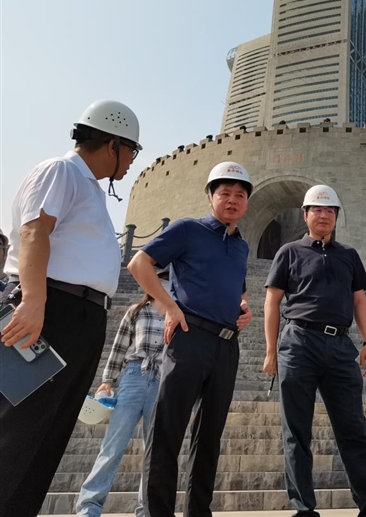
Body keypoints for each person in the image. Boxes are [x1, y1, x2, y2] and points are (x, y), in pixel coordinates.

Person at [0, 99, 142, 517]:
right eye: (132, 150)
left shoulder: (89, 187)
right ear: (113, 143)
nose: (132, 160)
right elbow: (34, 232)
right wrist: (33, 302)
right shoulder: (61, 170)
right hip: (50, 308)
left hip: (79, 317)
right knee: (18, 428)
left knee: (47, 434)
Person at [127, 161, 254, 517]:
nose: (232, 200)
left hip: (227, 345)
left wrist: (245, 307)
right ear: (210, 196)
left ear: (247, 202)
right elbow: (139, 264)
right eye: (225, 193)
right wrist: (168, 306)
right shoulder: (188, 230)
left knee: (209, 436)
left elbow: (239, 290)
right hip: (189, 337)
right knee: (167, 431)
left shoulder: (241, 246)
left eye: (240, 195)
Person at [263, 184, 366, 517]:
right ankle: (304, 509)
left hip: (340, 346)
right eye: (317, 209)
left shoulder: (349, 255)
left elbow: (359, 301)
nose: (324, 215)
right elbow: (272, 301)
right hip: (298, 342)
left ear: (336, 217)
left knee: (354, 429)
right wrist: (271, 350)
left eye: (330, 210)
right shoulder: (289, 252)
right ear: (305, 214)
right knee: (296, 431)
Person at [76, 268, 170, 517]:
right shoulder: (136, 311)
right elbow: (119, 346)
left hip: (162, 382)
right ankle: (89, 506)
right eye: (161, 279)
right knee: (113, 446)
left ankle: (147, 510)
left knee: (155, 452)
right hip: (133, 377)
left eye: (169, 280)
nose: (165, 283)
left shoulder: (178, 314)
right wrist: (107, 380)